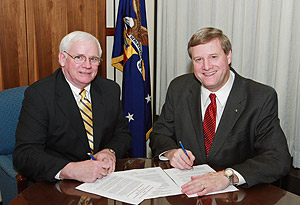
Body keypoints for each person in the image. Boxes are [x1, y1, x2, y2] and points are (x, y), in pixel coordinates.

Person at [149, 27, 291, 196]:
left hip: (237, 195)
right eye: (198, 59)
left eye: (213, 57)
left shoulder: (260, 98)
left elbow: (278, 158)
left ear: (228, 56)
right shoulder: (178, 88)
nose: (206, 66)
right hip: (187, 191)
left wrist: (227, 176)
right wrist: (171, 152)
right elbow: (159, 134)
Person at [13, 31, 132, 183]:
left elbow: (122, 134)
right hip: (58, 183)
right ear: (62, 58)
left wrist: (109, 151)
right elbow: (24, 154)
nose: (87, 65)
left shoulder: (110, 90)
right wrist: (70, 170)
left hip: (104, 180)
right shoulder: (40, 95)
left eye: (93, 59)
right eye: (79, 57)